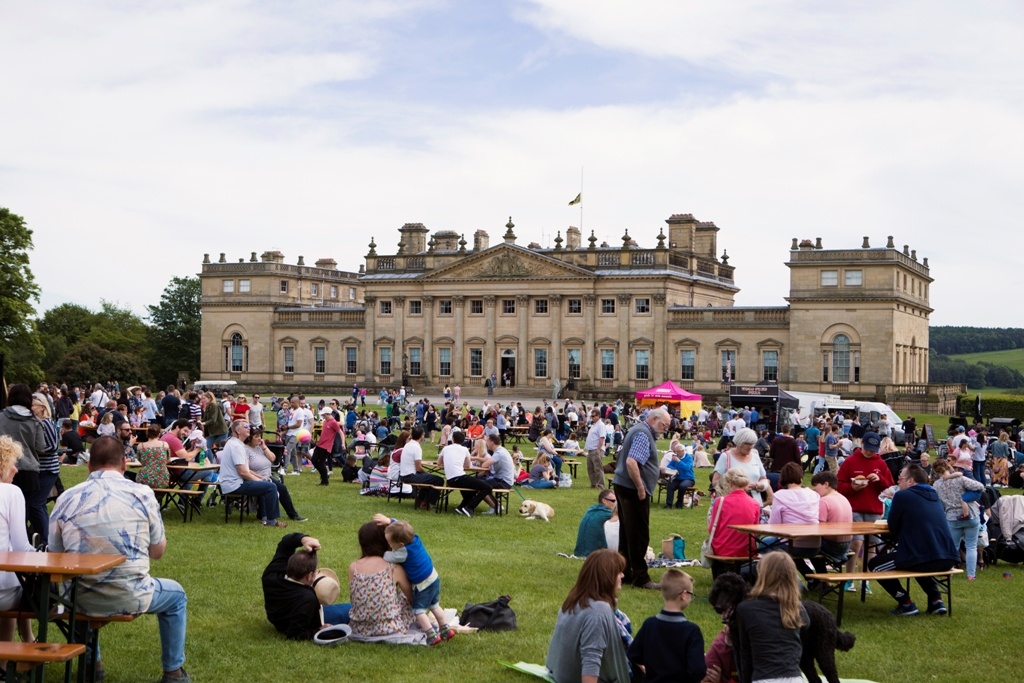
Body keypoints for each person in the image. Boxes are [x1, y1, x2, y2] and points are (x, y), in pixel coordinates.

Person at [48, 436, 190, 682]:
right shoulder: (142, 494)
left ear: (89, 465)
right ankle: (174, 672)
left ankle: (93, 665)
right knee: (176, 596)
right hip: (131, 594)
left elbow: (54, 554)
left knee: (75, 589)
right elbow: (157, 552)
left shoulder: (67, 498)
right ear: (124, 463)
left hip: (79, 597)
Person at [869, 464, 958, 616]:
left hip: (924, 557)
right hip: (948, 556)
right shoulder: (934, 495)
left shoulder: (903, 496)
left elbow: (893, 526)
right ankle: (936, 600)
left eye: (900, 478)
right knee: (918, 560)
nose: (898, 482)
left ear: (910, 481)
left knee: (875, 565)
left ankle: (906, 603)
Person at [546, 549, 630, 683]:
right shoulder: (598, 611)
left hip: (559, 675)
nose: (622, 575)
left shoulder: (575, 601)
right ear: (607, 576)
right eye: (618, 572)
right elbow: (591, 659)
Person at [371, 514, 456, 646]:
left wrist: (379, 551)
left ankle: (431, 635)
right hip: (433, 577)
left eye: (389, 543)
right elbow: (401, 528)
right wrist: (390, 521)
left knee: (418, 611)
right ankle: (445, 629)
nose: (389, 544)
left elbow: (388, 557)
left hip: (423, 585)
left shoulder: (402, 552)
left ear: (400, 544)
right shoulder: (414, 538)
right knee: (434, 605)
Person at [612, 407, 672, 589]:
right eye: (664, 424)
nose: (665, 429)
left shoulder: (640, 431)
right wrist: (640, 487)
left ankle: (625, 572)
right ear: (654, 419)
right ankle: (641, 577)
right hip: (632, 489)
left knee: (627, 533)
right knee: (638, 534)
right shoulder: (643, 434)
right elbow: (631, 462)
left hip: (623, 485)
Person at [733, 552, 808, 683]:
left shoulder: (746, 609)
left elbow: (745, 653)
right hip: (794, 678)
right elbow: (806, 626)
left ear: (762, 574)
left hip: (763, 678)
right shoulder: (796, 608)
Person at [837, 431, 894, 594]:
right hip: (854, 508)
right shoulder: (850, 461)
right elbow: (840, 486)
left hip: (873, 509)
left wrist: (879, 480)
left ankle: (865, 579)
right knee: (855, 543)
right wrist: (853, 488)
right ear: (861, 444)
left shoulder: (881, 463)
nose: (869, 452)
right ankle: (849, 577)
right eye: (867, 449)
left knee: (872, 545)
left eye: (873, 450)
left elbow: (889, 485)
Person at [262, 533, 348, 640]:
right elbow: (296, 634)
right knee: (352, 609)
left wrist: (304, 539)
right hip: (310, 619)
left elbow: (285, 543)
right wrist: (319, 630)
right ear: (309, 576)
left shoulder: (271, 574)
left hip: (278, 619)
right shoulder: (306, 598)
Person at [626, 569, 706, 683]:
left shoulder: (650, 624)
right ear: (683, 594)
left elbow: (634, 654)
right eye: (691, 594)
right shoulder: (691, 631)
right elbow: (697, 671)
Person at [348, 521, 419, 643]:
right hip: (389, 629)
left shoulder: (353, 567)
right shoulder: (393, 567)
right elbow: (412, 598)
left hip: (359, 628)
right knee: (405, 596)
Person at [0, 384, 47, 544]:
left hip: (5, 468)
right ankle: (25, 542)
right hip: (29, 471)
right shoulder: (35, 421)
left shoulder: (1, 417)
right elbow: (41, 447)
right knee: (23, 512)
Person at [218, 420, 287, 528]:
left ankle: (265, 517)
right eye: (245, 426)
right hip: (234, 484)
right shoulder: (236, 446)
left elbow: (245, 470)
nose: (248, 428)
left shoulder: (234, 443)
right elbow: (243, 472)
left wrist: (260, 479)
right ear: (238, 430)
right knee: (271, 487)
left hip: (234, 482)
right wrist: (259, 480)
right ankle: (271, 521)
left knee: (268, 485)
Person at [0, 437, 35, 647]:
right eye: (13, 463)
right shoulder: (11, 493)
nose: (16, 470)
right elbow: (22, 548)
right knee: (26, 591)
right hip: (4, 593)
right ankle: (5, 666)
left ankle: (28, 643)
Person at [932, 458, 985, 581]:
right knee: (971, 545)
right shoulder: (960, 479)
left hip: (952, 517)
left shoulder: (936, 485)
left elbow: (938, 503)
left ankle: (948, 571)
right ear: (947, 467)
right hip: (971, 515)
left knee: (953, 546)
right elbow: (980, 486)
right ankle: (971, 575)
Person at [765, 462, 820, 574]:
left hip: (792, 543)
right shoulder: (813, 494)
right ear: (801, 476)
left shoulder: (780, 495)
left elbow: (774, 525)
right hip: (815, 543)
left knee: (765, 543)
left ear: (783, 478)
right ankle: (809, 577)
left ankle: (770, 579)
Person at [244, 428, 308, 522]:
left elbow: (273, 458)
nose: (259, 439)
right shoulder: (246, 450)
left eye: (260, 436)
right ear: (249, 438)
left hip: (267, 476)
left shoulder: (259, 447)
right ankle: (265, 515)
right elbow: (247, 470)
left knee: (282, 488)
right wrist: (260, 477)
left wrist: (264, 447)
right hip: (256, 478)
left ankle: (292, 514)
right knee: (272, 488)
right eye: (256, 437)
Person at [709, 468, 761, 578]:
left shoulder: (720, 501)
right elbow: (755, 532)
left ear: (729, 483)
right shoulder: (755, 504)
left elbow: (712, 529)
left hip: (724, 549)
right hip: (746, 550)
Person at [711, 428, 771, 507]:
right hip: (732, 505)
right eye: (747, 444)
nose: (750, 447)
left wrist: (758, 485)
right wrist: (739, 488)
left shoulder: (755, 457)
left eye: (752, 444)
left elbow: (764, 479)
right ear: (738, 442)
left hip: (754, 505)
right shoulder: (726, 457)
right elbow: (715, 481)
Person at [809, 470, 853, 575]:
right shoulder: (843, 498)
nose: (814, 488)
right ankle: (822, 580)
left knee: (801, 547)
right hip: (846, 544)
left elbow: (820, 528)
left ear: (826, 484)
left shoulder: (824, 501)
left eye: (816, 485)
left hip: (832, 545)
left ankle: (819, 579)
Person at [439, 431, 491, 517]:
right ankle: (469, 507)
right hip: (459, 477)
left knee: (474, 488)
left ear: (453, 439)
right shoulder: (464, 449)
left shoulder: (445, 448)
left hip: (450, 479)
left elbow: (439, 462)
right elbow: (467, 465)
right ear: (463, 441)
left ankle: (461, 507)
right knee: (487, 487)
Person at [398, 427, 443, 511]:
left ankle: (420, 501)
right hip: (410, 476)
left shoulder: (408, 444)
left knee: (428, 479)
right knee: (439, 480)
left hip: (403, 474)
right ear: (422, 436)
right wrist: (426, 473)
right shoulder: (416, 447)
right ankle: (427, 503)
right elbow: (419, 468)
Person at [574, 490, 617, 557]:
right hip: (594, 555)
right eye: (613, 501)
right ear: (604, 500)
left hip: (579, 552)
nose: (615, 504)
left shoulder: (591, 510)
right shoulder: (607, 515)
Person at [136, 424, 172, 490]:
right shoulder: (165, 445)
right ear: (159, 434)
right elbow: (168, 460)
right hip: (162, 478)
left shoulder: (140, 446)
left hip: (145, 477)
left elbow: (140, 460)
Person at [312, 409, 341, 486]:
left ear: (328, 414)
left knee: (321, 463)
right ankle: (324, 475)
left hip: (326, 446)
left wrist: (343, 444)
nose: (323, 417)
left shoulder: (334, 423)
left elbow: (340, 433)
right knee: (314, 460)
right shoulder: (325, 421)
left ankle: (325, 481)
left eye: (324, 415)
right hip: (320, 444)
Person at [664, 441, 696, 509]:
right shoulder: (675, 457)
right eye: (676, 451)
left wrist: (678, 461)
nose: (676, 453)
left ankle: (679, 503)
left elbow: (687, 468)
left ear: (682, 451)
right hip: (678, 478)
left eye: (678, 451)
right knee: (670, 485)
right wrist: (675, 469)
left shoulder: (689, 458)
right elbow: (669, 466)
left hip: (688, 478)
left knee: (682, 486)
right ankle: (668, 504)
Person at [584, 409, 607, 489]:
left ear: (598, 416)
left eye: (593, 416)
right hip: (590, 449)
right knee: (590, 468)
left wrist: (598, 449)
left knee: (598, 468)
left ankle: (601, 485)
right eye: (591, 416)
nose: (592, 418)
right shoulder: (594, 425)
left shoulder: (601, 425)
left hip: (596, 449)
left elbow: (602, 437)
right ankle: (593, 483)